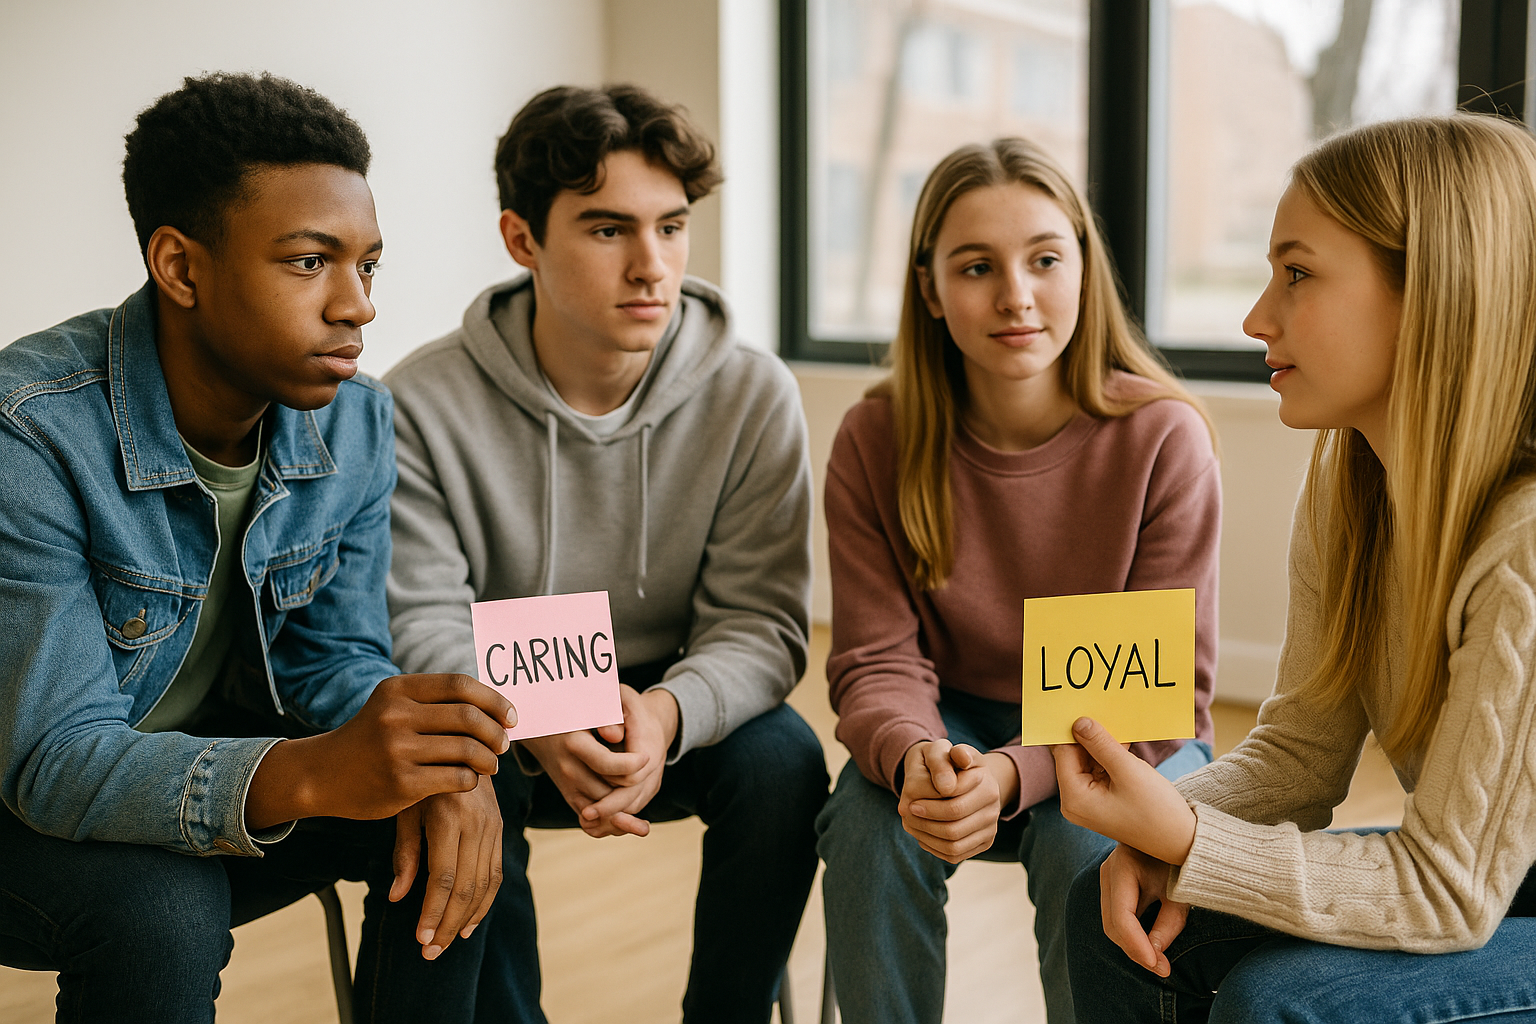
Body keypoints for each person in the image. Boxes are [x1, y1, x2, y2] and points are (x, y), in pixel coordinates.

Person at [0, 72, 517, 1024]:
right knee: (163, 907)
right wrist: (316, 772)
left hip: (205, 759)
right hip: (21, 804)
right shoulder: (29, 434)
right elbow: (53, 760)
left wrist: (426, 759)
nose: (357, 306)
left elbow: (334, 654)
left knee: (456, 811)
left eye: (369, 265)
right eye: (311, 262)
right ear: (181, 267)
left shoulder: (357, 423)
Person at [1055, 113, 1536, 1024]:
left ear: (1435, 289)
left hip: (1479, 881)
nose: (1255, 318)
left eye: (1299, 273)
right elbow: (1302, 756)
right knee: (1107, 902)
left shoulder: (1525, 542)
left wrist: (1190, 837)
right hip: (1487, 877)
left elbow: (1447, 889)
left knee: (1286, 1003)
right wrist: (1151, 822)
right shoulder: (1353, 484)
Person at [385, 83, 828, 1023]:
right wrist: (533, 718)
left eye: (672, 227)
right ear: (522, 239)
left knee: (784, 762)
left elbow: (761, 621)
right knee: (454, 762)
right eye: (607, 230)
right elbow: (419, 617)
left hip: (667, 695)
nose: (651, 266)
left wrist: (669, 715)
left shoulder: (753, 396)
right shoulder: (418, 403)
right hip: (502, 703)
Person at [815, 135, 1220, 1024]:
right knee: (869, 825)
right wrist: (921, 758)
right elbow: (876, 657)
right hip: (951, 720)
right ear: (929, 289)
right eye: (975, 267)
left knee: (1086, 833)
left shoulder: (1163, 439)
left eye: (1044, 258)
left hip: (1127, 733)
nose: (1016, 296)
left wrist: (1011, 775)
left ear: (1084, 263)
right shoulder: (874, 439)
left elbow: (1153, 700)